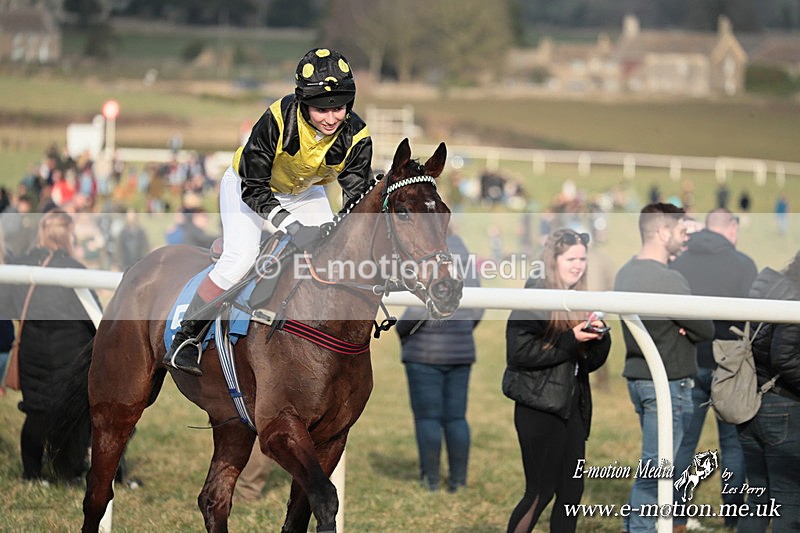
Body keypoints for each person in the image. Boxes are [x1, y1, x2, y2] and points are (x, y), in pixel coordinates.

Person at [164, 48, 373, 376]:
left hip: (303, 192)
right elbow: (254, 188)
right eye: (321, 109)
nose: (332, 117)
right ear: (303, 103)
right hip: (248, 186)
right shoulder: (276, 121)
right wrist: (291, 226)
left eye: (339, 107)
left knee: (333, 254)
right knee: (241, 258)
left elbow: (356, 200)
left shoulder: (356, 136)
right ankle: (187, 335)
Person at [613, 203, 714, 533]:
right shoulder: (669, 279)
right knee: (657, 472)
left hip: (641, 380)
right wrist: (682, 326)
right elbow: (705, 329)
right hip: (667, 383)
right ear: (661, 232)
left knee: (657, 467)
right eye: (681, 231)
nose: (685, 238)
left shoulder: (625, 272)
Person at [503, 228, 611, 532]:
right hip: (539, 408)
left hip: (572, 408)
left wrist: (599, 338)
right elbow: (519, 352)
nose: (578, 265)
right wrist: (570, 339)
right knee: (540, 492)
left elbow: (589, 362)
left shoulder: (579, 298)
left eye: (582, 259)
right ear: (554, 259)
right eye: (571, 258)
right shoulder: (535, 294)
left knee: (571, 494)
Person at [669, 208, 757, 531]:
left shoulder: (680, 262)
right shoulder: (744, 265)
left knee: (683, 443)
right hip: (730, 365)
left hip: (690, 360)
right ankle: (732, 516)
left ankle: (676, 515)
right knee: (732, 444)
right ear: (732, 229)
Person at [1, 211, 97, 481]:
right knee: (73, 415)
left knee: (35, 412)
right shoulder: (75, 270)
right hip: (71, 353)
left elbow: (7, 305)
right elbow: (94, 316)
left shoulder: (21, 265)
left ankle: (31, 474)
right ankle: (69, 472)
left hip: (32, 348)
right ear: (68, 235)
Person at [395, 230, 482, 493]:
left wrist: (402, 330)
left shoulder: (422, 249)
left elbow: (418, 306)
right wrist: (464, 329)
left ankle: (430, 480)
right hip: (460, 347)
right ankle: (458, 481)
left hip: (423, 351)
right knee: (457, 418)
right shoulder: (462, 249)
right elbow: (479, 303)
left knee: (427, 419)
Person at [738, 251, 800, 532]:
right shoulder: (794, 297)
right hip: (783, 407)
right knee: (789, 501)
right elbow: (784, 356)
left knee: (758, 499)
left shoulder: (773, 285)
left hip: (752, 400)